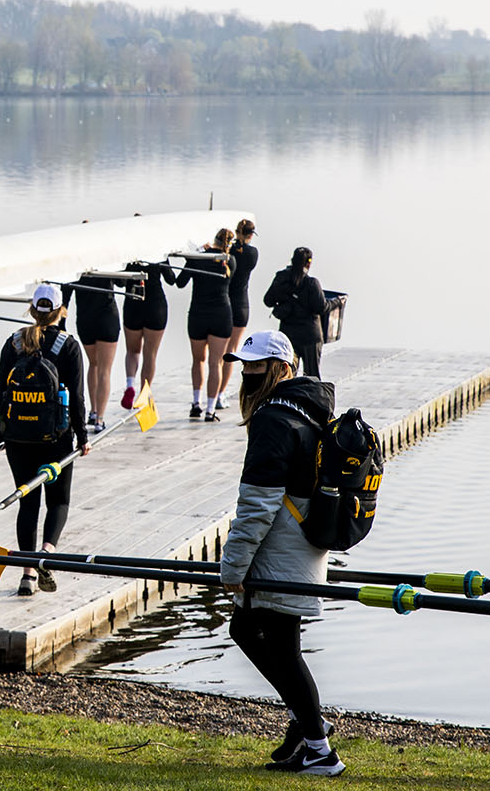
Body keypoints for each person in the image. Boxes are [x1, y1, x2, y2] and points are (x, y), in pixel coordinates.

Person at [219, 329, 343, 776]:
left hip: (282, 546)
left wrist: (232, 565)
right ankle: (305, 725)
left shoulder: (274, 418)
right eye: (244, 367)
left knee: (281, 647)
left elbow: (257, 505)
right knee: (247, 630)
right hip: (302, 541)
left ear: (282, 369)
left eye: (257, 368)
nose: (248, 375)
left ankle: (319, 749)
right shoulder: (309, 408)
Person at [0, 283, 89, 596]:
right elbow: (77, 398)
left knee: (26, 501)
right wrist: (82, 435)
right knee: (58, 500)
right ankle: (47, 552)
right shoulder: (68, 346)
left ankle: (28, 574)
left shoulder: (14, 343)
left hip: (17, 437)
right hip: (56, 438)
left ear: (32, 310)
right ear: (61, 312)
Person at [176, 227, 235, 422]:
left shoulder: (198, 259)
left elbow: (180, 282)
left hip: (198, 315)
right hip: (221, 315)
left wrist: (193, 256)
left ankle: (196, 403)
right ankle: (210, 410)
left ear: (214, 240)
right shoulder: (230, 261)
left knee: (198, 360)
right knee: (215, 363)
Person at [64, 272, 118, 433]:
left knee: (93, 364)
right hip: (107, 317)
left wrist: (60, 323)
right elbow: (122, 282)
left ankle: (93, 411)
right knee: (104, 370)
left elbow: (65, 291)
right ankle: (99, 419)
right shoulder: (107, 262)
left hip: (85, 319)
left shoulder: (77, 266)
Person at [119, 258, 176, 409]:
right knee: (150, 354)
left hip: (133, 302)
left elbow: (120, 282)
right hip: (156, 305)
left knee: (132, 351)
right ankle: (144, 394)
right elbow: (171, 279)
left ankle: (130, 385)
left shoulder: (130, 255)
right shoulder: (158, 254)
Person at [262, 246, 327, 378]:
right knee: (312, 376)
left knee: (287, 374)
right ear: (309, 263)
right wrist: (337, 302)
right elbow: (321, 307)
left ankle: (288, 398)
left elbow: (268, 300)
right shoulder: (311, 283)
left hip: (288, 334)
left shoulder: (281, 278)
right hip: (310, 336)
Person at [215, 219, 259, 409]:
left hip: (224, 303)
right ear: (250, 235)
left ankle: (212, 391)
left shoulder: (228, 253)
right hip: (241, 305)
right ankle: (220, 394)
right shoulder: (252, 253)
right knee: (231, 350)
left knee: (217, 353)